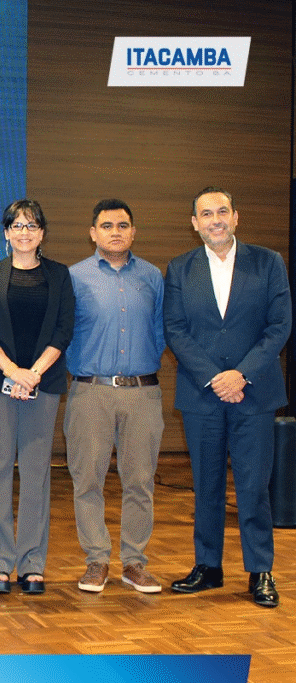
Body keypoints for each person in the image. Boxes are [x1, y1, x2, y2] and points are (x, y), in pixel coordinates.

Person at [164, 187, 291, 608]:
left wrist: (241, 375)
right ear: (194, 223)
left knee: (254, 486)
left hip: (254, 393)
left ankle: (260, 570)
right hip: (202, 395)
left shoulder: (268, 262)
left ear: (236, 217)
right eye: (206, 213)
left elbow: (279, 326)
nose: (215, 220)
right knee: (207, 485)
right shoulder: (179, 268)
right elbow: (175, 329)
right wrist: (214, 378)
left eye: (222, 211)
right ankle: (208, 566)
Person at [63, 199, 164, 594]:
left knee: (140, 481)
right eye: (106, 226)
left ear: (133, 232)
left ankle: (134, 563)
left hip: (142, 393)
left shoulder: (152, 276)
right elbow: (63, 333)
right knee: (87, 479)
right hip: (91, 392)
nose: (115, 232)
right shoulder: (74, 277)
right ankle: (97, 560)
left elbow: (161, 332)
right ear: (93, 233)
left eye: (123, 225)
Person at [0, 199, 74, 596]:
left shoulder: (60, 275)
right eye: (16, 225)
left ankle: (32, 563)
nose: (24, 232)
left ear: (42, 233)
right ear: (6, 232)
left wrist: (33, 373)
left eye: (31, 225)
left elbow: (63, 329)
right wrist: (12, 371)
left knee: (36, 472)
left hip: (42, 383)